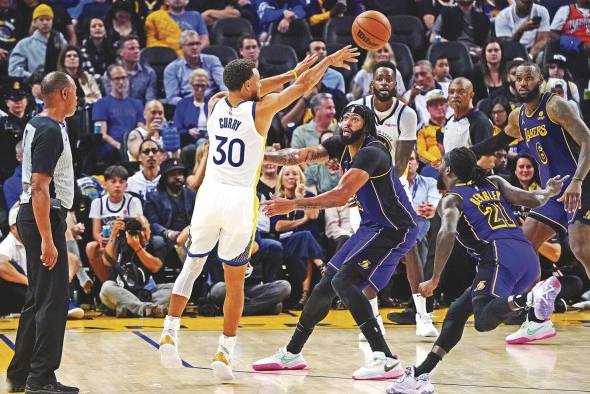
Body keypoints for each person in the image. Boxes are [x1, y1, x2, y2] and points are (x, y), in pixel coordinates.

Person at [158, 47, 359, 380]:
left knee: (192, 265)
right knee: (235, 282)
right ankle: (224, 352)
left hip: (209, 196)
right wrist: (325, 63)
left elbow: (257, 85)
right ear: (252, 87)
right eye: (256, 80)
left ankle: (170, 330)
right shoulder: (261, 111)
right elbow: (303, 87)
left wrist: (291, 72)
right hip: (238, 201)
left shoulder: (215, 102)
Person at [253, 104, 419, 380]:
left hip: (394, 227)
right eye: (345, 117)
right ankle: (292, 353)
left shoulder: (372, 152)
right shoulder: (340, 145)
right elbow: (299, 155)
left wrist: (291, 203)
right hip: (371, 226)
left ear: (366, 126)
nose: (347, 122)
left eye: (355, 119)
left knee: (345, 282)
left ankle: (385, 358)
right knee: (325, 285)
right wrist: (258, 154)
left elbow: (341, 196)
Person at [386, 147, 566, 394]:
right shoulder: (495, 181)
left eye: (443, 163)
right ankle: (420, 374)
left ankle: (532, 299)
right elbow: (533, 199)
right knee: (458, 312)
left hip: (498, 257)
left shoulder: (452, 198)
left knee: (482, 320)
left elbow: (447, 232)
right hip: (527, 257)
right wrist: (550, 191)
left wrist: (435, 277)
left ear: (448, 170)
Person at [471, 62, 590, 340]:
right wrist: (467, 152)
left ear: (540, 81)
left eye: (529, 78)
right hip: (555, 190)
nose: (523, 83)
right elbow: (498, 142)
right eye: (519, 79)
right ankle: (536, 316)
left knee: (581, 246)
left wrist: (577, 182)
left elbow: (588, 141)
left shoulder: (556, 105)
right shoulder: (518, 116)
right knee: (522, 248)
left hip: (581, 183)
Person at [6, 71, 78, 394]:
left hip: (34, 216)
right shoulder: (50, 130)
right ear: (63, 94)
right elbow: (39, 187)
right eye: (74, 92)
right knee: (53, 299)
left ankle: (19, 375)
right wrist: (49, 238)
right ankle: (41, 378)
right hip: (41, 217)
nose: (77, 99)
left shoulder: (38, 123)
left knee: (37, 298)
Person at [99, 215, 172, 317]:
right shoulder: (121, 241)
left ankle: (132, 309)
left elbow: (155, 267)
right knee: (107, 287)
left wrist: (137, 247)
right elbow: (106, 262)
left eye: (142, 228)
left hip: (146, 291)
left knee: (174, 289)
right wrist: (113, 235)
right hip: (122, 291)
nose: (139, 233)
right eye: (136, 230)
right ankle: (146, 309)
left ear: (149, 229)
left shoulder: (156, 242)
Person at [85, 165, 143, 283]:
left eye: (121, 182)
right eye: (113, 181)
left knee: (118, 249)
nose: (117, 185)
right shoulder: (98, 203)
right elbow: (96, 232)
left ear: (126, 185)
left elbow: (137, 227)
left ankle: (125, 282)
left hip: (125, 242)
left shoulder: (133, 201)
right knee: (91, 247)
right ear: (105, 185)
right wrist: (101, 239)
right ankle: (105, 283)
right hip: (107, 242)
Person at [92, 64, 145, 166]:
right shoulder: (101, 104)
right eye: (117, 79)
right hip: (112, 146)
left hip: (133, 144)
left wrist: (134, 146)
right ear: (109, 81)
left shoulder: (137, 104)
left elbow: (140, 129)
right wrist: (120, 146)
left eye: (124, 78)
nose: (121, 82)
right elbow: (102, 134)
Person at [164, 30, 225, 105]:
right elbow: (172, 98)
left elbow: (224, 84)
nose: (195, 47)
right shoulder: (172, 69)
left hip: (213, 104)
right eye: (191, 44)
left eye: (197, 43)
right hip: (187, 106)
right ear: (181, 47)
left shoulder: (212, 60)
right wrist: (191, 104)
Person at [8, 4, 67, 78]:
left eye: (48, 19)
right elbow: (13, 70)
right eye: (41, 19)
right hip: (34, 85)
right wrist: (31, 77)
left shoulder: (60, 41)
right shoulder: (24, 44)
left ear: (52, 21)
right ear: (34, 22)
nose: (45, 23)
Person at [442, 77, 493, 153]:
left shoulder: (481, 122)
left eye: (461, 92)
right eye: (451, 92)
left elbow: (487, 160)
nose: (455, 95)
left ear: (471, 95)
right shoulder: (449, 121)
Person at [103, 35, 156, 104]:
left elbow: (150, 101)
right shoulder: (110, 73)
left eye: (138, 48)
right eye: (131, 48)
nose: (137, 51)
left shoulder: (149, 73)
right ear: (120, 52)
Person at [172, 68, 210, 147]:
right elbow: (177, 128)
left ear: (207, 86)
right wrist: (188, 132)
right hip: (189, 141)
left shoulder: (212, 103)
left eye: (203, 86)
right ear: (191, 85)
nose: (200, 89)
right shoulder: (182, 104)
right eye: (197, 86)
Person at [80, 17, 116, 82]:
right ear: (89, 31)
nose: (97, 28)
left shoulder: (113, 48)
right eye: (94, 26)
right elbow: (89, 74)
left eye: (100, 25)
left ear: (105, 30)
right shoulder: (83, 51)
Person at [471, 39, 506, 104]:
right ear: (484, 54)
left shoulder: (508, 71)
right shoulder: (476, 73)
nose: (493, 53)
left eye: (496, 50)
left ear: (501, 52)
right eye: (490, 51)